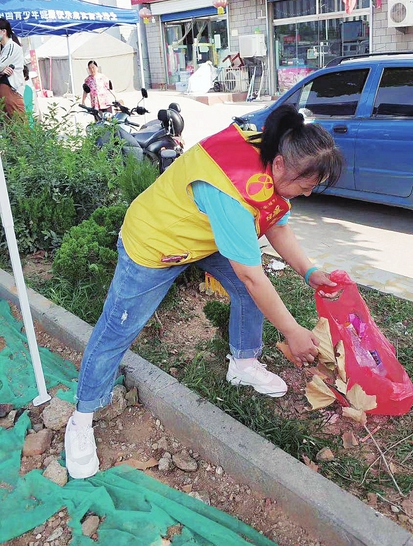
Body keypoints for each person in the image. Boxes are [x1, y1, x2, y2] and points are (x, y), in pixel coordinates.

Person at [64, 104, 344, 479]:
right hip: (156, 243)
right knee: (118, 329)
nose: (306, 195)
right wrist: (293, 332)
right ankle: (81, 417)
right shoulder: (230, 188)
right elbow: (252, 276)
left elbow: (276, 223)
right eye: (305, 187)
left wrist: (308, 271)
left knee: (249, 295)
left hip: (202, 236)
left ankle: (243, 364)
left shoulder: (275, 153)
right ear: (279, 165)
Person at [0, 18, 26, 118]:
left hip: (11, 88)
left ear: (3, 31)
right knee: (12, 123)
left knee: (18, 123)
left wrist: (2, 70)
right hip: (7, 88)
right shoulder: (5, 48)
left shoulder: (11, 46)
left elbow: (1, 64)